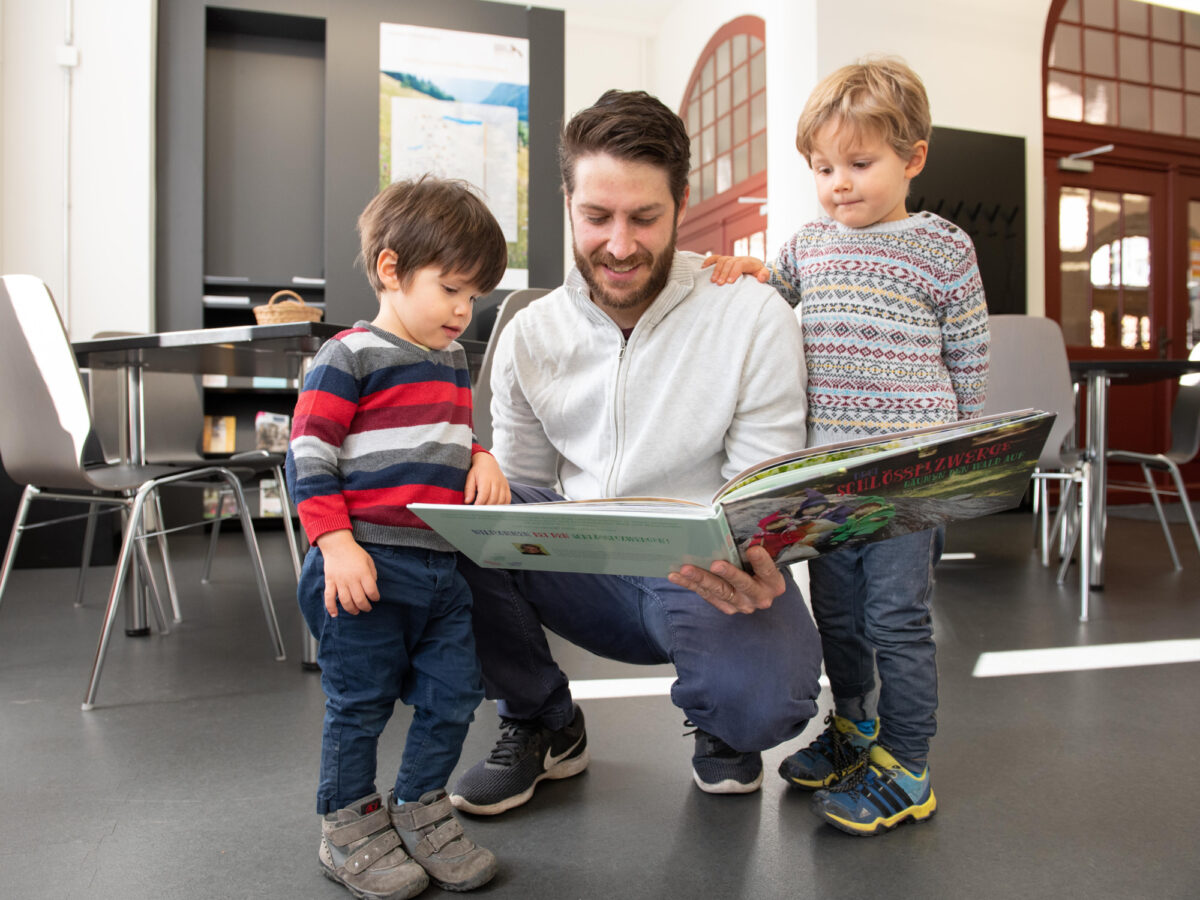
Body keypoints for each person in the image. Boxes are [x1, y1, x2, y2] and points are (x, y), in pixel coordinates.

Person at [447, 89, 823, 818]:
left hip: (704, 570)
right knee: (459, 513)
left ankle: (721, 725)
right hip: (582, 563)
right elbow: (520, 490)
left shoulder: (752, 316)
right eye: (597, 217)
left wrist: (759, 559)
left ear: (681, 203)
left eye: (645, 217)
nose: (619, 246)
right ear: (568, 203)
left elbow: (758, 491)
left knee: (766, 705)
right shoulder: (531, 333)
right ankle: (542, 720)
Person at [704, 56, 989, 836]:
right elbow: (780, 296)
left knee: (896, 618)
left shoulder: (943, 247)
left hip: (906, 477)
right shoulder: (810, 241)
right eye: (824, 167)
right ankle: (855, 729)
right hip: (826, 478)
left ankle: (907, 764)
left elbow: (969, 358)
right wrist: (752, 270)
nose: (839, 182)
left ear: (913, 158)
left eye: (859, 164)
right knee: (838, 616)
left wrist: (953, 468)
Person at [286, 176, 512, 899]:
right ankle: (346, 825)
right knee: (361, 706)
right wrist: (335, 543)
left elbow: (453, 434)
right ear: (391, 269)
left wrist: (482, 455)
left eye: (473, 297)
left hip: (440, 569)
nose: (462, 310)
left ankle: (419, 805)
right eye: (450, 289)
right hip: (367, 565)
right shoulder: (347, 356)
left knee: (454, 695)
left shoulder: (450, 358)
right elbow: (309, 452)